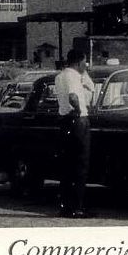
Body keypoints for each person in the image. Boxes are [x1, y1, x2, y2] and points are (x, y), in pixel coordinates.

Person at [54, 49, 94, 218]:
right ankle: (78, 206)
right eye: (85, 62)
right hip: (77, 120)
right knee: (80, 164)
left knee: (67, 165)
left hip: (64, 121)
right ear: (79, 62)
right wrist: (78, 109)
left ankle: (66, 205)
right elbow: (73, 96)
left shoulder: (59, 76)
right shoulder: (72, 76)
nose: (86, 65)